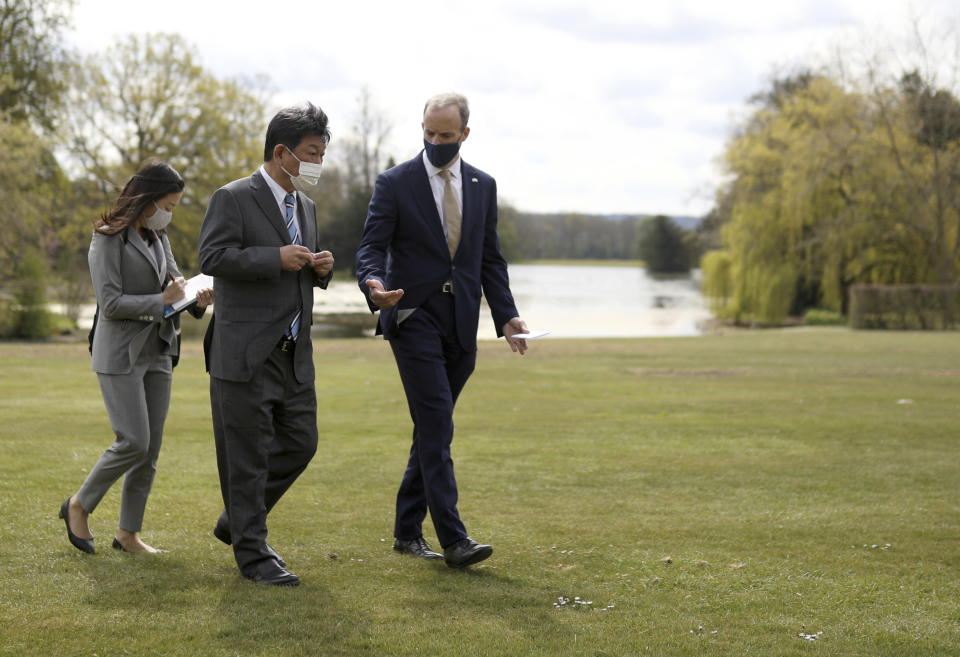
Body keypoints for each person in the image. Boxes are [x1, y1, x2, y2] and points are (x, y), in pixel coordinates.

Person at [355, 92, 528, 569]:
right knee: (436, 423)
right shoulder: (395, 182)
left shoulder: (482, 185)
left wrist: (506, 315)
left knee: (431, 427)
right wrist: (373, 285)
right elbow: (371, 247)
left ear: (464, 134)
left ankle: (406, 531)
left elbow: (488, 258)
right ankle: (454, 539)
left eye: (445, 136)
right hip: (411, 317)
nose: (435, 142)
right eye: (428, 133)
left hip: (461, 323)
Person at [198, 102, 335, 587]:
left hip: (295, 356)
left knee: (301, 444)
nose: (318, 162)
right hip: (244, 354)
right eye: (312, 153)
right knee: (246, 458)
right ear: (282, 152)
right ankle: (253, 555)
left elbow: (298, 276)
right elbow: (213, 256)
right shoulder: (232, 198)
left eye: (322, 152)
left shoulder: (308, 206)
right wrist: (273, 257)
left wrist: (321, 270)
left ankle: (237, 521)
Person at [59, 160, 213, 555]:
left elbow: (175, 285)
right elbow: (109, 303)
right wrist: (160, 300)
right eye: (169, 204)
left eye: (175, 206)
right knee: (133, 441)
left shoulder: (159, 238)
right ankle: (78, 504)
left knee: (151, 449)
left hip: (159, 351)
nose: (170, 213)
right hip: (121, 353)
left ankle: (128, 534)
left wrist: (196, 300)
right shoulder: (107, 237)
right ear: (147, 200)